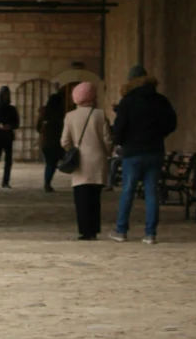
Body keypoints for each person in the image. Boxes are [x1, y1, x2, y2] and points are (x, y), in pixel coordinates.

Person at [110, 64, 177, 242]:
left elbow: (119, 128)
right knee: (151, 193)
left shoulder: (128, 101)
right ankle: (150, 233)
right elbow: (171, 123)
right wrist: (159, 134)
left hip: (133, 152)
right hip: (154, 150)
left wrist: (121, 143)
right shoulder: (160, 100)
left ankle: (121, 230)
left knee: (128, 191)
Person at [59, 79, 113, 238]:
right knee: (95, 199)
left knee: (81, 198)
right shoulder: (100, 115)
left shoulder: (70, 116)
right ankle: (94, 230)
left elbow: (64, 141)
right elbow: (108, 140)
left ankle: (84, 231)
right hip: (97, 161)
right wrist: (106, 152)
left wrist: (73, 151)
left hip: (80, 162)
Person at [37, 84, 68, 190]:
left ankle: (47, 182)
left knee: (50, 163)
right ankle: (47, 182)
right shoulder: (60, 114)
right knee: (52, 163)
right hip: (55, 142)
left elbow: (38, 127)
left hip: (45, 142)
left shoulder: (44, 113)